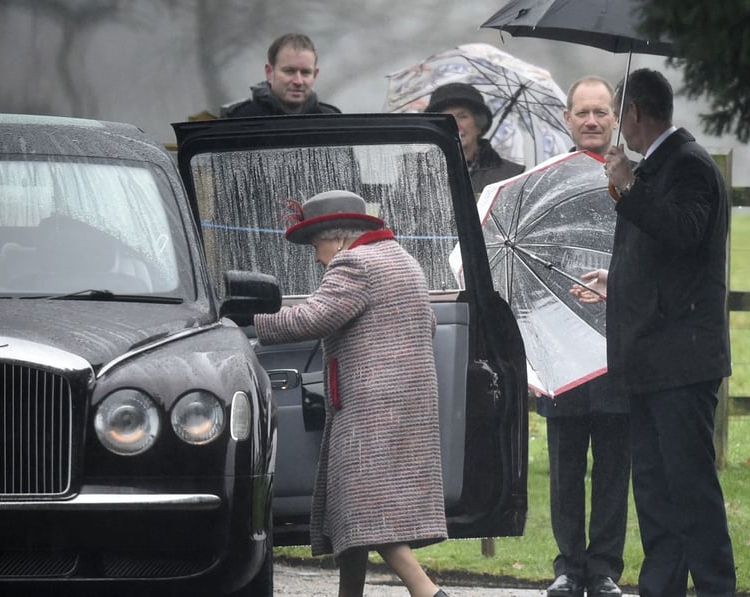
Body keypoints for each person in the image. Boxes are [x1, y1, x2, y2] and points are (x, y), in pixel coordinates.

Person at [574, 68, 737, 596]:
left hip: (681, 362)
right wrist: (617, 279)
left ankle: (715, 587)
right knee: (655, 494)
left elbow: (685, 234)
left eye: (619, 115)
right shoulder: (653, 167)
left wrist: (627, 187)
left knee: (691, 491)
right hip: (648, 361)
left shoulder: (689, 164)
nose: (617, 127)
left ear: (635, 113)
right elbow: (657, 252)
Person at [253, 190, 450, 597]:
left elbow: (313, 318)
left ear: (339, 238)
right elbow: (427, 323)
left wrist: (252, 321)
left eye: (315, 245)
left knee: (365, 507)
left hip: (370, 408)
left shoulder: (353, 263)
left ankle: (428, 592)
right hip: (408, 403)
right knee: (351, 506)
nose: (316, 258)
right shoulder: (401, 258)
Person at [539, 76, 628, 597]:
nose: (591, 121)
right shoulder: (547, 183)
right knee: (566, 465)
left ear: (615, 118)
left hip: (619, 344)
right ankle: (569, 567)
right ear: (567, 119)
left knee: (615, 464)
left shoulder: (634, 180)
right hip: (562, 342)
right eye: (582, 113)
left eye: (601, 112)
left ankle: (605, 569)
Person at [424, 82, 524, 196]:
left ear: (479, 125)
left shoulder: (511, 177)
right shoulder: (419, 175)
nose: (455, 125)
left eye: (462, 116)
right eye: (446, 118)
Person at [222, 33, 340, 117]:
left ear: (315, 75)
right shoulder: (238, 119)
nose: (298, 81)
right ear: (269, 72)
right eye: (289, 71)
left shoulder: (331, 120)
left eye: (305, 73)